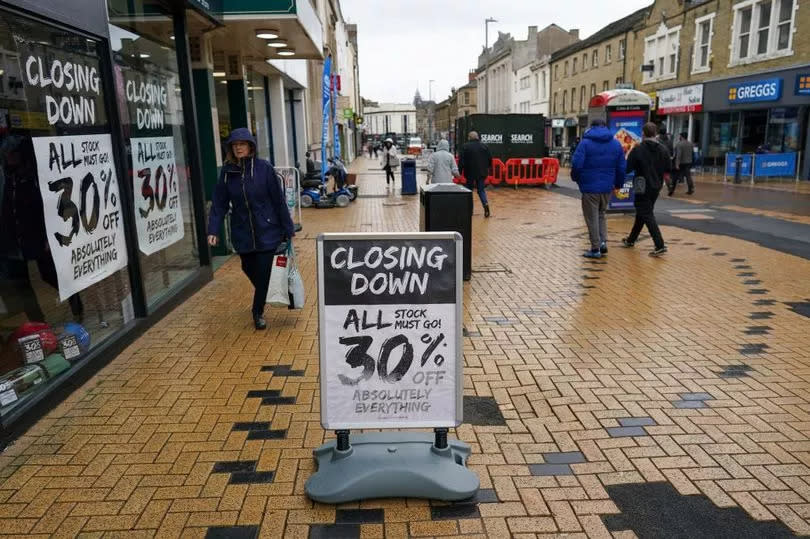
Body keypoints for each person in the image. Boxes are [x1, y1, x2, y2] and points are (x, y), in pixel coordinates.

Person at [207, 128, 295, 330]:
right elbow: (219, 203)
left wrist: (288, 228)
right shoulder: (228, 173)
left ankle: (257, 311)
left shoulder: (264, 168)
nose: (238, 148)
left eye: (242, 144)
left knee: (263, 273)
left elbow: (278, 201)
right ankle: (276, 292)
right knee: (248, 267)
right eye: (235, 145)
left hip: (267, 230)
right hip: (242, 232)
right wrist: (213, 230)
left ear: (251, 147)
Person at [571, 119, 626, 259]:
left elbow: (576, 164)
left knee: (592, 217)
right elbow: (621, 167)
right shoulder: (615, 144)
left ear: (592, 127)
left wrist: (577, 178)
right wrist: (618, 184)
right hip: (607, 187)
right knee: (601, 214)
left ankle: (595, 248)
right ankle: (602, 242)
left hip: (590, 187)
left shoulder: (585, 143)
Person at [622, 122, 670, 257]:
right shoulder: (663, 149)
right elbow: (668, 168)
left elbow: (628, 168)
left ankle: (659, 244)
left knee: (646, 213)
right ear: (655, 134)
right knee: (643, 212)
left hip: (640, 184)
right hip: (656, 184)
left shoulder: (638, 149)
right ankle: (631, 240)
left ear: (643, 133)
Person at [458, 131, 492, 217]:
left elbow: (461, 160)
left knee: (469, 190)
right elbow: (490, 159)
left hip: (469, 172)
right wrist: (487, 168)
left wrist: (460, 171)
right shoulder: (485, 146)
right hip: (482, 172)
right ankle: (486, 205)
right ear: (477, 137)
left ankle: (470, 210)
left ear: (469, 137)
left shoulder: (465, 146)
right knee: (481, 190)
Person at [671, 131, 694, 196]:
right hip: (688, 162)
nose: (679, 137)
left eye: (680, 136)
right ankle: (691, 189)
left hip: (681, 163)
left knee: (675, 177)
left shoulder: (679, 144)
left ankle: (671, 190)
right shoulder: (690, 144)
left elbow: (678, 155)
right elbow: (692, 154)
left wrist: (677, 164)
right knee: (688, 176)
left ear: (682, 137)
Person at [656, 125, 675, 190]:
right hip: (667, 159)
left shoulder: (657, 140)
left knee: (658, 175)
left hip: (659, 159)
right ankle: (670, 186)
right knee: (666, 174)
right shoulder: (669, 141)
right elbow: (672, 150)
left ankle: (658, 188)